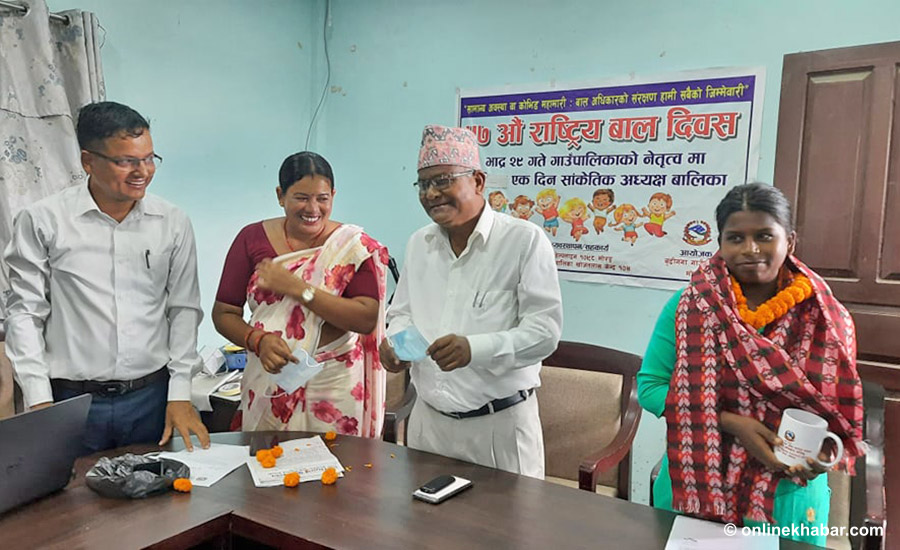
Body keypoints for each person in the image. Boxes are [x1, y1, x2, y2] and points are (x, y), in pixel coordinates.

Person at [637, 183, 864, 546]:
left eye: (763, 236)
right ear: (720, 242)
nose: (750, 249)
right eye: (736, 238)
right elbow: (650, 387)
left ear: (789, 242)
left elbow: (836, 414)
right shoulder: (688, 306)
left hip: (785, 499)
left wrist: (823, 455)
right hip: (695, 486)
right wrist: (732, 423)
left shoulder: (828, 319)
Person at [3, 101, 209, 454]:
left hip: (151, 398)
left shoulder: (172, 222)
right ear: (88, 161)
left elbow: (184, 309)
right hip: (71, 401)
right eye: (126, 161)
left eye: (149, 158)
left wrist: (180, 394)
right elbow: (24, 314)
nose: (142, 171)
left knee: (157, 503)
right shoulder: (42, 220)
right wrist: (39, 400)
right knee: (70, 505)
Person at [380, 125, 563, 479]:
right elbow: (401, 313)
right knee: (425, 533)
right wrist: (397, 345)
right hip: (427, 426)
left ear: (478, 181)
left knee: (505, 534)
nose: (431, 193)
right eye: (423, 183)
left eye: (443, 180)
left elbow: (544, 334)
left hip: (498, 429)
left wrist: (474, 349)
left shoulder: (523, 241)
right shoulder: (419, 244)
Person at [212, 152, 389, 437]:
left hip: (334, 383)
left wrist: (297, 288)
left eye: (322, 198)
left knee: (338, 473)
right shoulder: (251, 239)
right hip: (270, 377)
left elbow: (366, 318)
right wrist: (258, 341)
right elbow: (223, 313)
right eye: (301, 197)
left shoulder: (351, 246)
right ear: (280, 195)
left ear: (333, 195)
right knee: (268, 468)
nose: (313, 208)